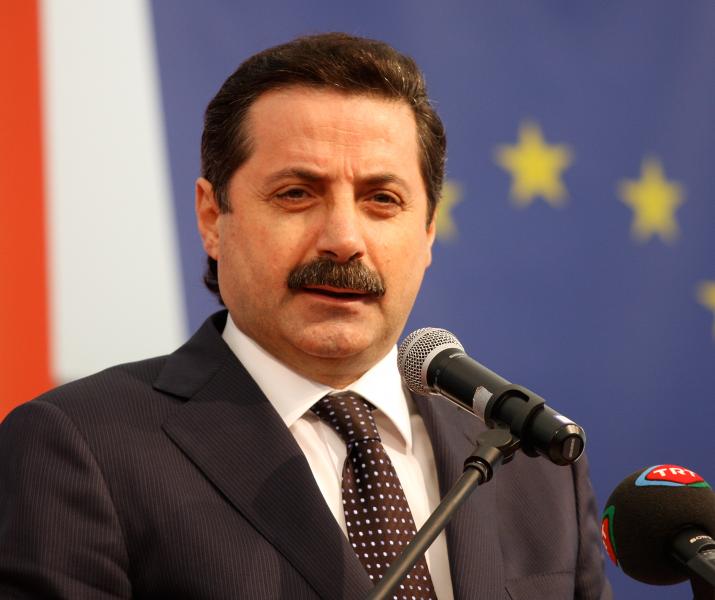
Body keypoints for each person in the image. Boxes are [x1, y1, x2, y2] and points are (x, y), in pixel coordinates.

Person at [0, 33, 611, 599]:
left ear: (428, 231)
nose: (343, 239)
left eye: (382, 199)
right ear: (213, 218)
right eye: (296, 194)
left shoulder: (536, 469)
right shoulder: (80, 448)